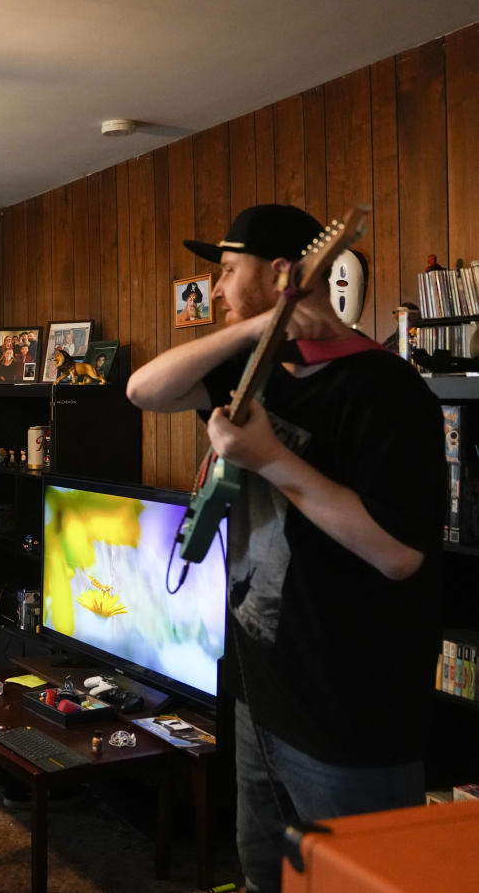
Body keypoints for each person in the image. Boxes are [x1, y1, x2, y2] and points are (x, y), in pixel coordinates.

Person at [125, 203, 444, 893]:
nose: (212, 289)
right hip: (261, 694)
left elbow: (399, 554)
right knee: (262, 874)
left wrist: (271, 458)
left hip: (348, 717)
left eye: (226, 271)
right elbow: (141, 388)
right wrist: (257, 327)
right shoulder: (259, 371)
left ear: (281, 273)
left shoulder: (389, 389)